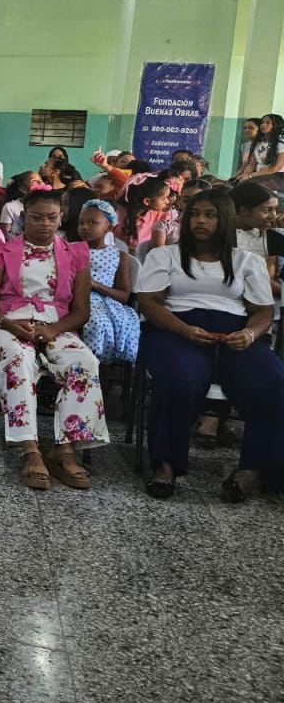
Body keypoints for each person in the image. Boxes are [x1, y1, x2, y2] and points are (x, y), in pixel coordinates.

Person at [138, 191, 284, 502]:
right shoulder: (165, 256)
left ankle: (253, 471)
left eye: (209, 215)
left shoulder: (246, 261)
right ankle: (166, 464)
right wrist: (183, 329)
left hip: (236, 335)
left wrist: (250, 334)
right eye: (194, 214)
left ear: (225, 220)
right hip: (177, 330)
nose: (200, 221)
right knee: (178, 378)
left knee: (273, 382)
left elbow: (263, 311)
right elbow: (150, 303)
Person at [0, 191, 109, 490]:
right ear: (24, 218)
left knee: (84, 361)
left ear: (62, 217)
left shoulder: (76, 254)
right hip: (7, 323)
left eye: (51, 217)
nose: (45, 224)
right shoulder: (2, 250)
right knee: (18, 359)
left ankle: (65, 449)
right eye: (36, 218)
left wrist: (53, 330)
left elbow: (82, 311)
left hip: (56, 326)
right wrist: (11, 325)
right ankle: (29, 448)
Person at [76, 198, 138, 366]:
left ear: (109, 227)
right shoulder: (70, 250)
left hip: (103, 302)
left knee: (98, 322)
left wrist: (94, 284)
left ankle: (98, 369)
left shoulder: (119, 256)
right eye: (81, 222)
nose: (85, 227)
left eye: (92, 223)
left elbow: (123, 295)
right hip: (73, 297)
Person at [230, 180, 282, 298]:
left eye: (275, 209)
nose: (274, 216)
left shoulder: (274, 237)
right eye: (267, 210)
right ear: (244, 211)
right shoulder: (219, 235)